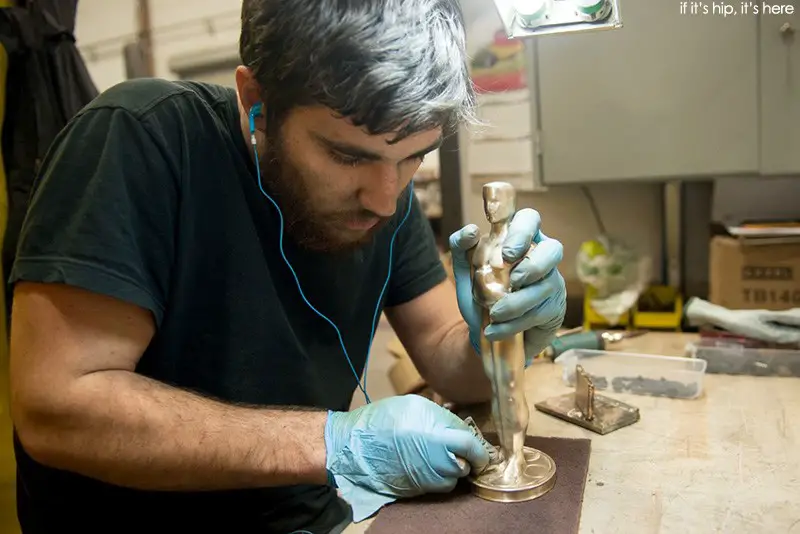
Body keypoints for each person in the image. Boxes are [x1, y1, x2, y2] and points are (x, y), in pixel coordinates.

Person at [7, 0, 567, 532]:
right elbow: (58, 409)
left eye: (413, 156)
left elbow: (452, 367)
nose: (385, 200)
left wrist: (503, 331)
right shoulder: (140, 139)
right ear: (256, 98)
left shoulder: (386, 194)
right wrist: (333, 443)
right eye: (348, 155)